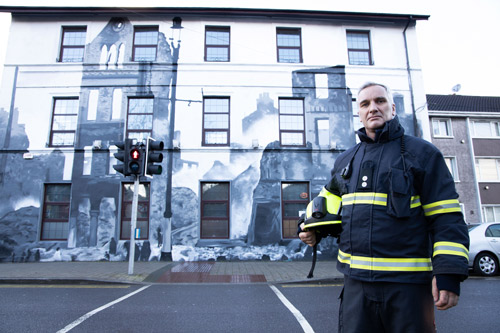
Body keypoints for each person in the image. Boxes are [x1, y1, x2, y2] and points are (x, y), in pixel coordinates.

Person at [299, 82, 469, 332]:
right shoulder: (346, 161)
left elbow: (446, 218)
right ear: (358, 112)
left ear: (393, 107)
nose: (373, 108)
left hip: (407, 289)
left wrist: (449, 273)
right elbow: (325, 204)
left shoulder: (423, 155)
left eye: (380, 101)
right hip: (356, 288)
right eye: (365, 104)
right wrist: (310, 229)